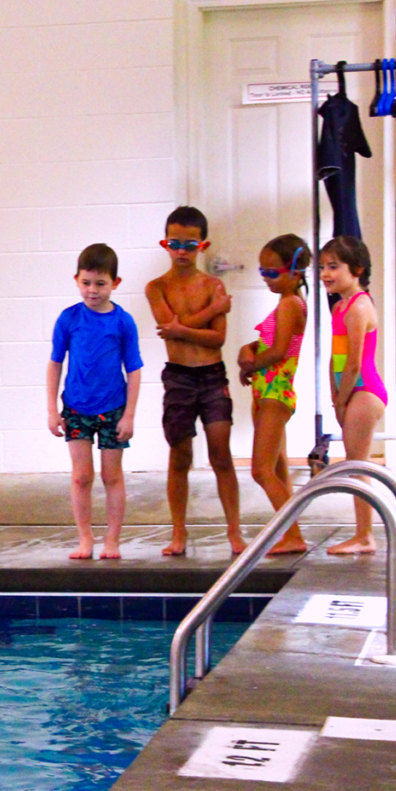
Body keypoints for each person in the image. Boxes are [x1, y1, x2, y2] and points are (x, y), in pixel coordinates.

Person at [146, 206, 245, 556]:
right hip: (179, 379)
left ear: (203, 245)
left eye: (190, 244)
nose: (183, 252)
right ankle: (179, 532)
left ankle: (234, 530)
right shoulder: (156, 287)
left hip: (211, 374)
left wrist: (182, 329)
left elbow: (215, 340)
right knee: (179, 455)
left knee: (221, 453)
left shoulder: (213, 285)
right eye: (176, 244)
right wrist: (212, 312)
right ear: (166, 244)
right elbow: (168, 331)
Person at [46, 243, 143, 560]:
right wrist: (52, 410)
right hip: (76, 408)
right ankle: (85, 539)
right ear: (76, 280)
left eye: (100, 283)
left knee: (112, 476)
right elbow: (55, 363)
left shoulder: (122, 322)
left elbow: (134, 370)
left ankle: (112, 540)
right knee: (81, 476)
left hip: (113, 409)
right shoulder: (69, 319)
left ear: (115, 283)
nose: (92, 290)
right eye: (86, 282)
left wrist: (129, 415)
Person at [238, 234, 311, 555]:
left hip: (275, 392)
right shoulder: (286, 305)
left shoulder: (290, 304)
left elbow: (279, 351)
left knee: (260, 469)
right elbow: (268, 343)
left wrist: (248, 367)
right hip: (268, 391)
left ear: (294, 272)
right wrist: (248, 348)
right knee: (278, 468)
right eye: (262, 272)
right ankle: (287, 531)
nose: (267, 279)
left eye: (273, 273)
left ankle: (293, 535)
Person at [320, 234, 388, 554]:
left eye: (333, 266)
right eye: (322, 267)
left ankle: (365, 536)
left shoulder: (360, 306)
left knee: (357, 465)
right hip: (349, 391)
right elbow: (335, 357)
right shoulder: (339, 307)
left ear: (357, 269)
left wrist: (342, 399)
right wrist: (334, 394)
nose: (325, 274)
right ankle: (362, 534)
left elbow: (354, 364)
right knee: (353, 463)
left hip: (365, 390)